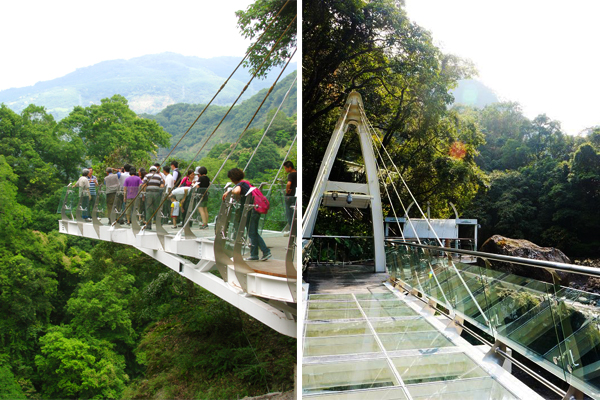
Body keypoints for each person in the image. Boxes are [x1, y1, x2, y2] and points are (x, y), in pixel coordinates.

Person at [223, 168, 271, 261]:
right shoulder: (247, 183)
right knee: (252, 232)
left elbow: (236, 191)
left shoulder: (241, 184)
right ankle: (254, 254)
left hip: (251, 211)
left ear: (233, 178)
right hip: (254, 210)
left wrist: (228, 191)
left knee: (252, 232)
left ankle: (265, 251)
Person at [142, 166, 165, 230]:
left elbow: (144, 185)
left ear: (150, 170)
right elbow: (162, 185)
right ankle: (158, 224)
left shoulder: (147, 176)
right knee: (157, 209)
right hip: (157, 194)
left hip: (149, 193)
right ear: (156, 170)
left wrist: (144, 194)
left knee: (148, 209)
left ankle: (148, 225)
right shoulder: (159, 176)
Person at [283, 161, 297, 235]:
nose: (285, 170)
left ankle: (292, 231)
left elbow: (289, 183)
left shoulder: (291, 175)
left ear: (290, 167)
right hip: (295, 196)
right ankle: (295, 230)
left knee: (289, 214)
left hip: (290, 196)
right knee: (295, 214)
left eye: (286, 168)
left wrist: (287, 190)